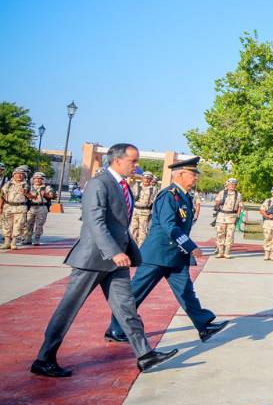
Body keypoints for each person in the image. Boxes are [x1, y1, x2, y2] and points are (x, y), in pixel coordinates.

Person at [31, 143, 178, 377]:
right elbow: (94, 221)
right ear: (117, 160)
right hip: (92, 258)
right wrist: (113, 251)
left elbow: (119, 224)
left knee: (126, 307)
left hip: (116, 261)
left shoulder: (124, 186)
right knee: (68, 308)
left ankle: (145, 355)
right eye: (133, 160)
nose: (137, 165)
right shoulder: (99, 184)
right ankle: (44, 358)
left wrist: (125, 251)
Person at [104, 156, 227, 345]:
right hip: (158, 254)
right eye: (193, 174)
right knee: (136, 293)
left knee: (186, 291)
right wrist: (190, 245)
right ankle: (116, 329)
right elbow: (169, 226)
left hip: (174, 256)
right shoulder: (168, 195)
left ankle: (203, 325)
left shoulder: (184, 196)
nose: (196, 178)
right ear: (181, 174)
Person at [0, 167, 30, 250]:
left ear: (24, 175)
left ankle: (14, 242)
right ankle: (6, 242)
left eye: (21, 174)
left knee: (18, 226)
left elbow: (32, 197)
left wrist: (25, 193)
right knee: (6, 225)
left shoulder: (27, 184)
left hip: (20, 207)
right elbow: (1, 196)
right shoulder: (8, 184)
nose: (19, 176)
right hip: (8, 207)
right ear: (13, 175)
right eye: (17, 174)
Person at [212, 178, 243, 259]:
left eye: (234, 184)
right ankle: (220, 252)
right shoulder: (222, 193)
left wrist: (238, 216)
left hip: (232, 217)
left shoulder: (238, 195)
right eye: (231, 184)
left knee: (230, 235)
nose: (232, 186)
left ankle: (226, 252)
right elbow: (217, 202)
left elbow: (240, 206)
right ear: (227, 185)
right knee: (220, 234)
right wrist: (218, 202)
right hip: (221, 216)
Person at [24, 172, 56, 245]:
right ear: (33, 179)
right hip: (31, 207)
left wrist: (45, 195)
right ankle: (27, 239)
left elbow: (53, 196)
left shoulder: (46, 187)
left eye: (40, 179)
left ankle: (36, 239)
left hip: (42, 207)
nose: (38, 180)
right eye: (36, 178)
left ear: (43, 179)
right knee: (28, 223)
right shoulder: (29, 186)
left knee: (39, 225)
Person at [129, 172, 157, 246]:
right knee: (133, 230)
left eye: (149, 178)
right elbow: (131, 197)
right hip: (135, 210)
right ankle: (132, 247)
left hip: (145, 212)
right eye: (145, 178)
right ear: (142, 178)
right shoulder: (136, 186)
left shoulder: (153, 189)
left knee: (143, 231)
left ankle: (140, 249)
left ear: (151, 179)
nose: (146, 180)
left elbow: (154, 201)